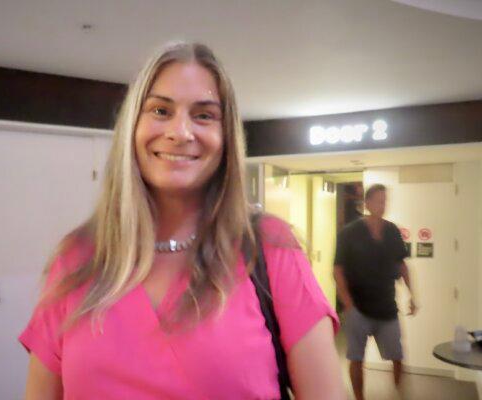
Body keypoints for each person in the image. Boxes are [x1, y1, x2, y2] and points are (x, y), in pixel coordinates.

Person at [20, 41, 345, 400]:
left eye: (203, 115)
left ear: (226, 139)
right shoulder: (78, 256)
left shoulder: (269, 245)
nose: (180, 132)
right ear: (132, 125)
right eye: (160, 110)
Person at [334, 184, 417, 400]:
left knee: (397, 356)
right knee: (356, 358)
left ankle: (398, 393)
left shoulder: (392, 231)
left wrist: (412, 295)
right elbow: (338, 270)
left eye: (385, 200)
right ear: (368, 203)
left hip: (387, 308)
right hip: (358, 309)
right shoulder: (349, 233)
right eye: (379, 200)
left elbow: (402, 265)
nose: (383, 205)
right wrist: (348, 304)